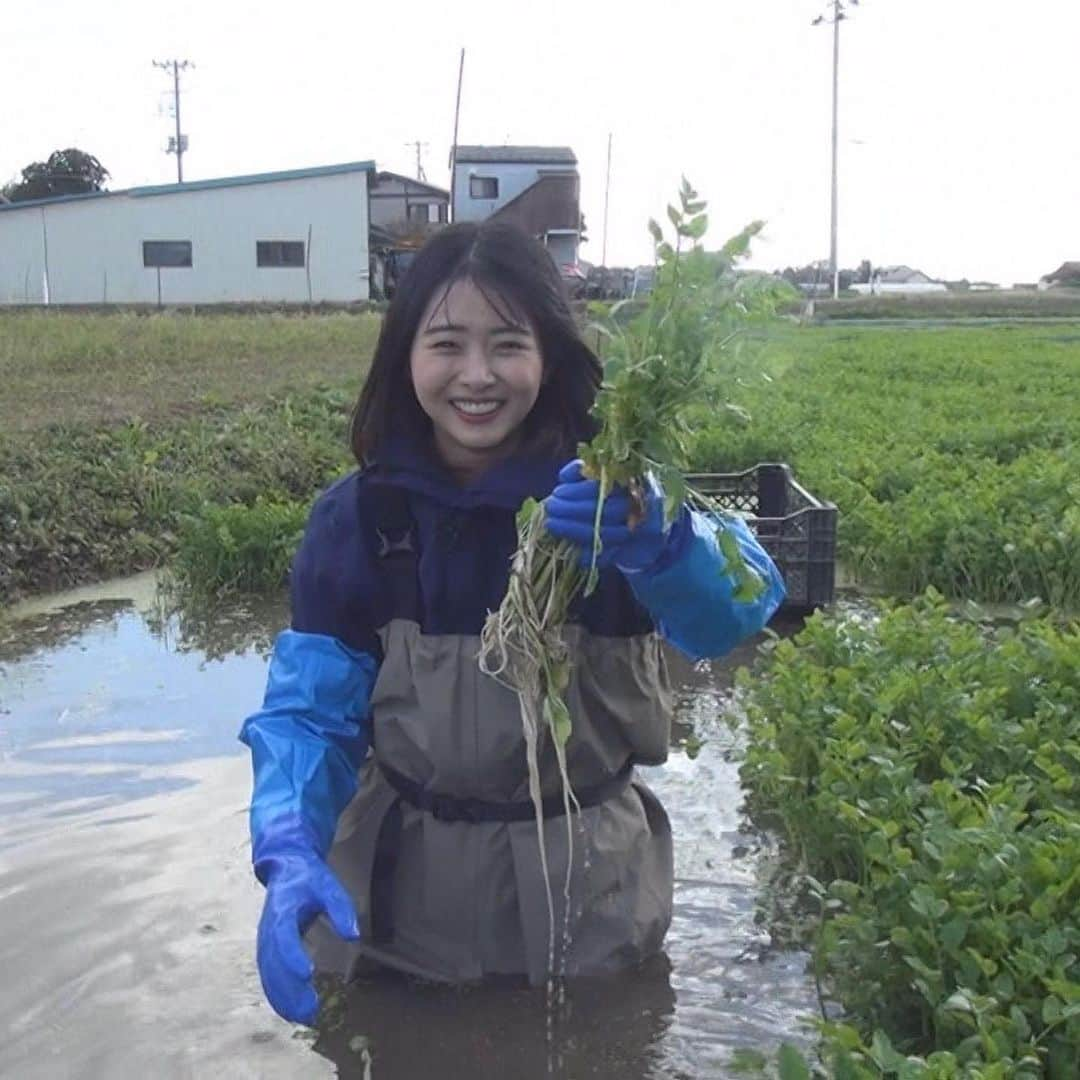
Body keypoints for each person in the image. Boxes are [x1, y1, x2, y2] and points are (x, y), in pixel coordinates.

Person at [239, 221, 786, 1026]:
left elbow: (739, 608)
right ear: (406, 358)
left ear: (550, 357)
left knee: (604, 1044)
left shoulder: (620, 495)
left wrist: (668, 548)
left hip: (592, 906)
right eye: (447, 344)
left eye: (507, 345)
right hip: (398, 917)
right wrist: (286, 845)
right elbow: (310, 716)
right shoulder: (362, 520)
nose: (477, 375)